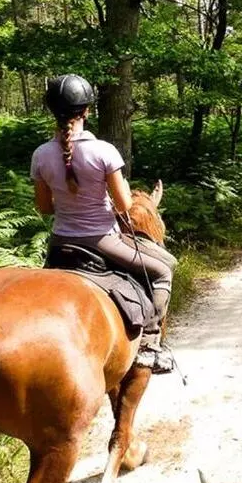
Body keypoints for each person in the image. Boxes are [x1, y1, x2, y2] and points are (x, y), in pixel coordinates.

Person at [30, 74, 177, 374]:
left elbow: (45, 208)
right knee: (164, 269)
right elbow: (123, 205)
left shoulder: (41, 155)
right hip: (102, 240)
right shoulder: (104, 151)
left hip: (59, 244)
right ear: (86, 110)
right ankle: (150, 344)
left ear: (52, 111)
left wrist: (70, 202)